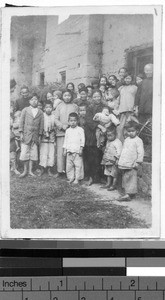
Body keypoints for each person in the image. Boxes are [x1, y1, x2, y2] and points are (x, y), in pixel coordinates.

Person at [19, 93, 44, 178]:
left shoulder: (40, 112)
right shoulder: (25, 110)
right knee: (25, 153)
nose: (34, 101)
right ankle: (25, 171)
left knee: (33, 154)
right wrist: (21, 133)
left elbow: (41, 125)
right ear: (29, 101)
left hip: (35, 136)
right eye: (32, 99)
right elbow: (21, 122)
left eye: (36, 99)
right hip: (26, 135)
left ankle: (30, 171)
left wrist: (40, 135)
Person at [118, 121, 144, 201]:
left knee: (131, 178)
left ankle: (129, 194)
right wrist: (120, 158)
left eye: (133, 131)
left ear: (137, 131)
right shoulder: (126, 139)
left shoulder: (138, 140)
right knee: (125, 177)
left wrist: (138, 162)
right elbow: (124, 149)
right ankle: (126, 192)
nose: (130, 133)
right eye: (129, 131)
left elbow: (140, 152)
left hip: (132, 163)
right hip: (125, 162)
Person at [54, 89, 78, 177]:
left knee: (71, 151)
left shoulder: (74, 106)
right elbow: (55, 118)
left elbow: (76, 117)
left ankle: (70, 172)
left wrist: (70, 126)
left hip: (72, 132)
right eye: (65, 95)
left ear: (71, 96)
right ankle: (60, 171)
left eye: (69, 95)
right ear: (62, 96)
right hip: (61, 133)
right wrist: (61, 126)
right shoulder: (59, 106)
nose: (67, 97)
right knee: (60, 152)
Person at [84, 90, 104, 185]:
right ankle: (91, 177)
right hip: (91, 134)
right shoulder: (90, 108)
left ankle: (99, 177)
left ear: (101, 96)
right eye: (95, 96)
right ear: (92, 98)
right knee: (91, 156)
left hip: (102, 134)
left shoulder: (104, 107)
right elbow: (88, 120)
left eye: (98, 96)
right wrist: (98, 126)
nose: (97, 98)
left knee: (100, 156)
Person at [63, 112, 85, 184]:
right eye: (71, 121)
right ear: (68, 122)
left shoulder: (80, 129)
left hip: (77, 151)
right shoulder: (67, 130)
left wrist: (81, 148)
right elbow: (66, 140)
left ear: (77, 121)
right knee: (69, 166)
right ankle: (71, 177)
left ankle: (77, 179)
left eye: (74, 121)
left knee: (78, 166)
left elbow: (82, 140)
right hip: (69, 151)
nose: (73, 122)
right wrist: (65, 149)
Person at [101, 125, 122, 190]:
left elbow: (119, 152)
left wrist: (117, 159)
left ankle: (113, 185)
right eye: (108, 136)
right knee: (108, 173)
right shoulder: (108, 141)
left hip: (113, 161)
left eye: (111, 135)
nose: (109, 137)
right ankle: (108, 183)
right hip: (107, 160)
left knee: (114, 174)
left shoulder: (117, 142)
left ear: (115, 134)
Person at [117, 74, 138, 142]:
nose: (127, 80)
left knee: (130, 127)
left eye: (129, 78)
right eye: (126, 78)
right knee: (121, 128)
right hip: (123, 110)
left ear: (131, 79)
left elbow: (137, 98)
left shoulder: (134, 87)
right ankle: (122, 143)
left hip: (131, 110)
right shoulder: (121, 88)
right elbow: (119, 99)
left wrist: (135, 108)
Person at [39, 100, 56, 176]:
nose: (48, 109)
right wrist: (43, 132)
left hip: (51, 137)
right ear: (44, 108)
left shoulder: (54, 116)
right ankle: (42, 168)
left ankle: (49, 169)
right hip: (43, 137)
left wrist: (52, 131)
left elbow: (55, 126)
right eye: (47, 107)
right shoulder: (42, 116)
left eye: (50, 107)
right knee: (43, 153)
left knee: (51, 153)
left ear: (52, 108)